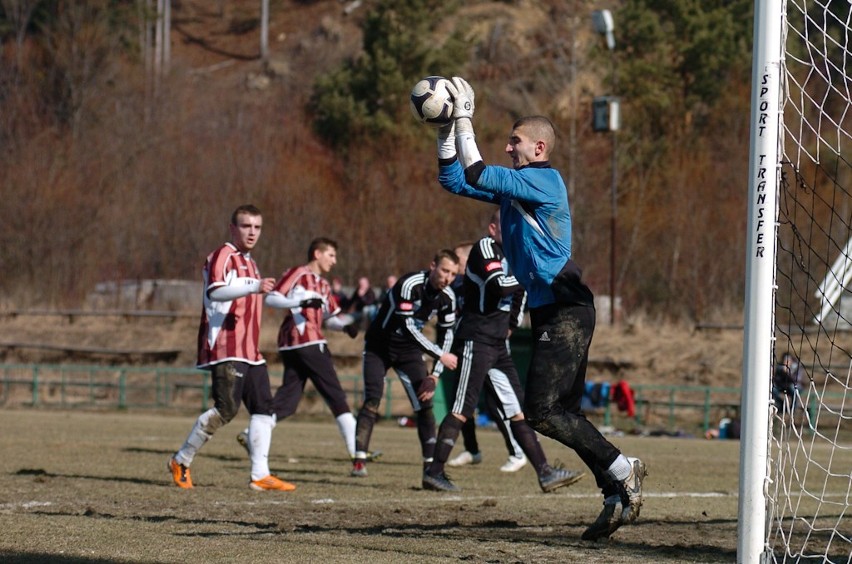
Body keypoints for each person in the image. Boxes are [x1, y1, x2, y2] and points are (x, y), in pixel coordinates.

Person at [436, 77, 646, 541]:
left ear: (539, 147)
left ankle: (620, 467)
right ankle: (616, 491)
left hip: (567, 305)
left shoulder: (545, 180)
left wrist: (465, 116)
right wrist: (444, 128)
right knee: (564, 411)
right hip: (554, 311)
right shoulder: (516, 190)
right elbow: (453, 178)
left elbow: (474, 173)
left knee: (542, 411)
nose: (508, 147)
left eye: (515, 141)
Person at [423, 209, 586, 494]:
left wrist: (512, 323)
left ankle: (545, 473)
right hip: (477, 339)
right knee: (463, 408)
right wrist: (533, 276)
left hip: (498, 343)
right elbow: (499, 286)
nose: (514, 227)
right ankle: (434, 473)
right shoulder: (485, 248)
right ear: (492, 227)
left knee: (518, 411)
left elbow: (519, 292)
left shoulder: (513, 252)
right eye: (508, 223)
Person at [167, 204, 294, 492]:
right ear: (232, 228)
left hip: (251, 351)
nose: (252, 232)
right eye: (246, 226)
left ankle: (260, 475)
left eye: (257, 227)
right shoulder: (222, 255)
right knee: (226, 409)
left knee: (264, 409)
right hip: (226, 346)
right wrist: (253, 286)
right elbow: (216, 290)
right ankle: (181, 459)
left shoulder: (250, 262)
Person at [234, 237, 379, 462]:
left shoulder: (323, 284)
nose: (334, 261)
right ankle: (357, 452)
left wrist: (344, 327)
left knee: (288, 401)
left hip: (295, 345)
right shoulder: (297, 273)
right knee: (336, 395)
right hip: (306, 342)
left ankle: (251, 434)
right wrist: (298, 303)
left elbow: (328, 318)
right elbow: (272, 298)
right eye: (331, 255)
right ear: (317, 254)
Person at [350, 250, 460, 479]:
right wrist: (439, 355)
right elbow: (408, 328)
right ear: (433, 266)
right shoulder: (409, 284)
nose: (448, 278)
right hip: (379, 346)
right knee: (373, 398)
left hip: (408, 351)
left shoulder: (448, 298)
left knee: (425, 403)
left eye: (453, 274)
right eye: (445, 271)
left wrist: (436, 375)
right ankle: (359, 459)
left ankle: (429, 466)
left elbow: (447, 334)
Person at [446, 240, 529, 473]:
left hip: (490, 345)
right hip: (468, 346)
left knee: (496, 402)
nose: (455, 268)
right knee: (461, 401)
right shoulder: (459, 286)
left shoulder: (487, 278)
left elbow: (516, 295)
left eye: (457, 262)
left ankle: (518, 451)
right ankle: (472, 449)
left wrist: (512, 324)